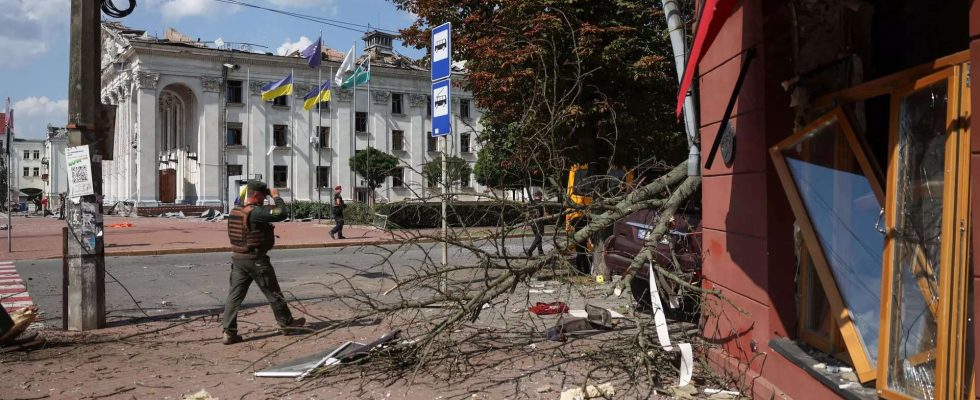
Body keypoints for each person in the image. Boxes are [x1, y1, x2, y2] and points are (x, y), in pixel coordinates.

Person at [222, 180, 305, 345]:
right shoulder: (255, 213)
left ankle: (229, 332)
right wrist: (276, 197)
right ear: (256, 195)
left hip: (238, 258)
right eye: (262, 196)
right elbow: (281, 213)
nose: (263, 200)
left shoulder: (235, 210)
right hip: (256, 259)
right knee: (273, 293)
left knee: (234, 296)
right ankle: (286, 324)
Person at [526, 191, 546, 257]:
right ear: (540, 196)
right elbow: (543, 214)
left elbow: (528, 214)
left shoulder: (531, 203)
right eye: (541, 196)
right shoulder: (541, 203)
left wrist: (527, 223)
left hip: (532, 223)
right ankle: (530, 250)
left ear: (535, 196)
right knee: (539, 237)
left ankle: (540, 252)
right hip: (539, 222)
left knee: (538, 237)